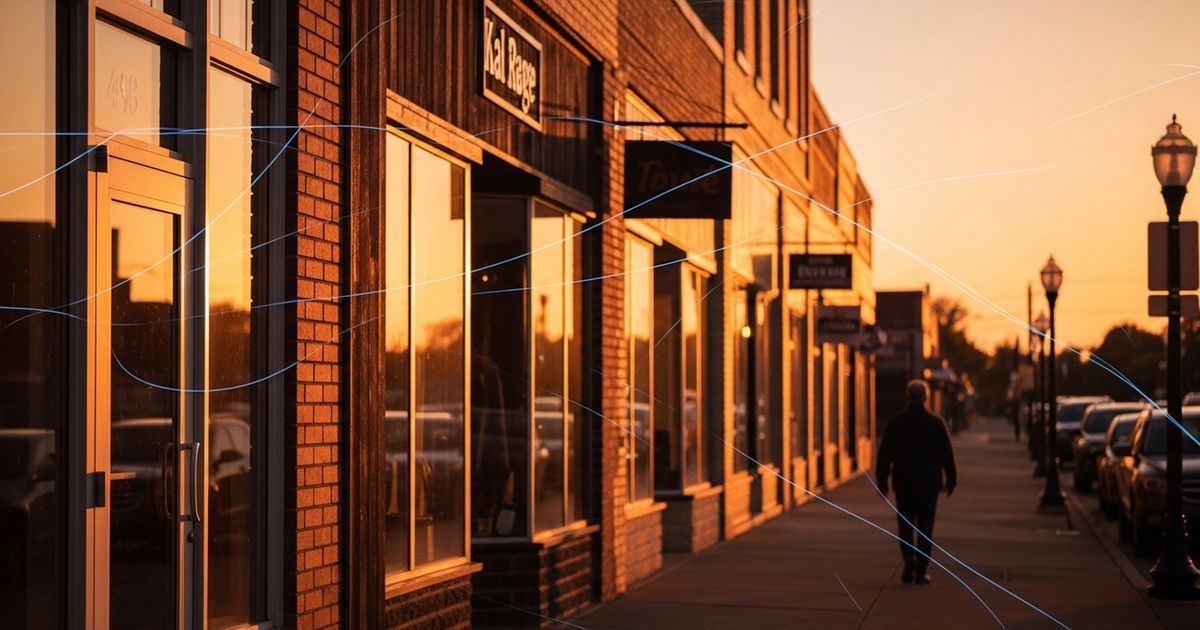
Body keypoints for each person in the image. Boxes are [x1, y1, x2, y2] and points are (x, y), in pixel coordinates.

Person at [876, 379, 958, 585]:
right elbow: (947, 454)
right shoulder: (936, 423)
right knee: (926, 525)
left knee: (905, 524)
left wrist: (882, 481)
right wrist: (951, 479)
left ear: (907, 397)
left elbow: (884, 454)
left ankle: (909, 558)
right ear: (926, 398)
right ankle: (921, 570)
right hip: (929, 483)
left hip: (904, 482)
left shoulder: (896, 422)